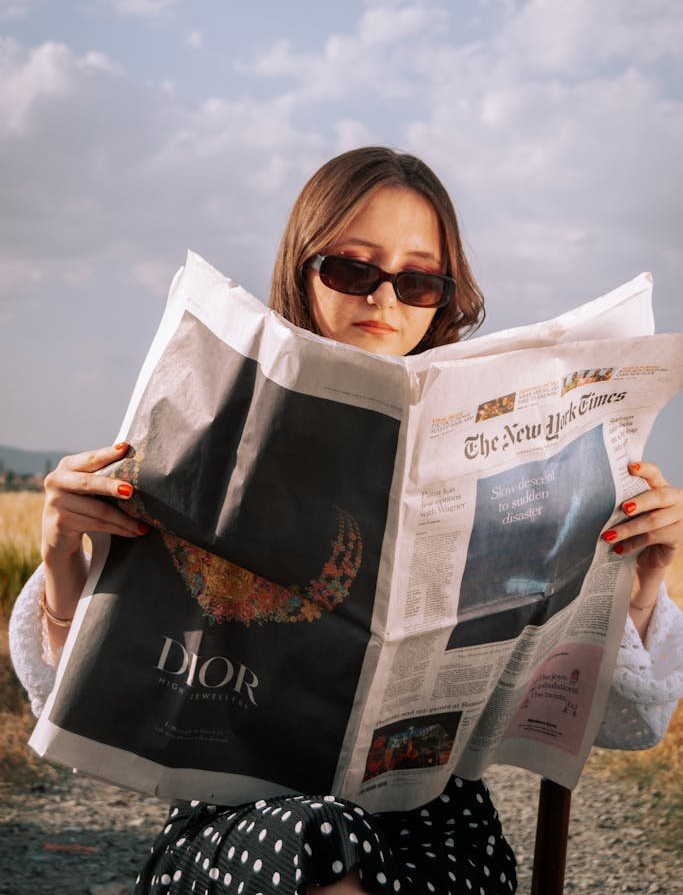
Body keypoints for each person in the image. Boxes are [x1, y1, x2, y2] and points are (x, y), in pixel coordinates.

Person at [10, 148, 683, 895]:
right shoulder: (215, 424)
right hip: (240, 818)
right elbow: (70, 701)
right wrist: (63, 552)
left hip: (435, 817)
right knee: (324, 836)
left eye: (420, 280)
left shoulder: (518, 450)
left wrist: (642, 585)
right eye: (353, 270)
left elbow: (625, 725)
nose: (385, 301)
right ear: (302, 269)